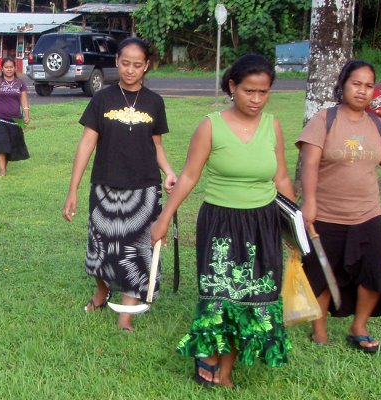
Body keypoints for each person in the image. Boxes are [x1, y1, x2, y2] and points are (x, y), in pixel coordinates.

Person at [151, 54, 294, 388]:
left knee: (255, 294)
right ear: (232, 86)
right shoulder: (210, 125)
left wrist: (298, 224)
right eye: (249, 91)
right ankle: (213, 359)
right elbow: (188, 177)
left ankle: (225, 364)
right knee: (221, 293)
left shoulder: (272, 126)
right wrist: (163, 218)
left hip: (264, 223)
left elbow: (283, 178)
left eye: (264, 92)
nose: (257, 99)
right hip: (221, 224)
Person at [62, 37, 177, 332]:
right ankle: (102, 290)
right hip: (105, 186)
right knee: (100, 248)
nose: (130, 70)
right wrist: (73, 189)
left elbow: (157, 145)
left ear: (146, 66)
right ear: (116, 61)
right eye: (125, 63)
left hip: (144, 189)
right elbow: (87, 144)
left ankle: (126, 313)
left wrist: (169, 172)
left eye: (137, 65)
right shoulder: (102, 98)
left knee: (137, 250)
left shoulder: (154, 102)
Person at [296, 60, 381, 352]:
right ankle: (319, 330)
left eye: (369, 85)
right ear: (343, 85)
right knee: (322, 272)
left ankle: (359, 325)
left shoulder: (375, 123)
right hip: (327, 212)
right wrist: (310, 202)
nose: (362, 90)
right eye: (356, 83)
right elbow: (309, 163)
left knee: (376, 267)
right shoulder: (325, 119)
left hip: (368, 212)